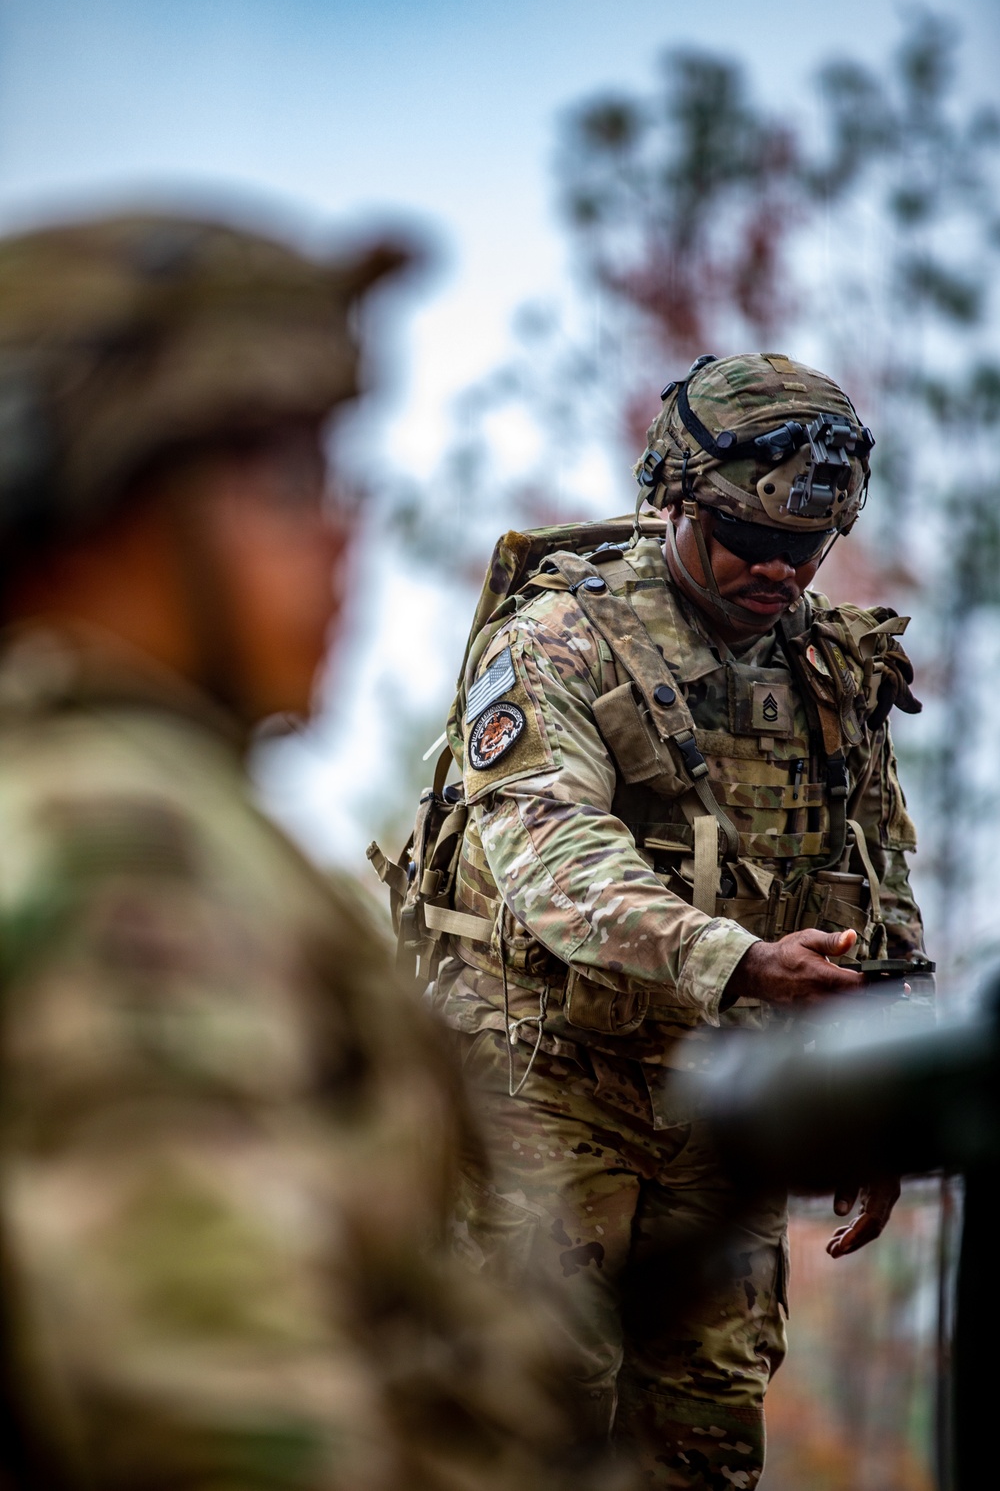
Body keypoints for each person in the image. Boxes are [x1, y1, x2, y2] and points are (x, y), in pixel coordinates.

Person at [0, 211, 607, 1491]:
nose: (343, 538)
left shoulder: (140, 806)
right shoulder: (116, 841)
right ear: (87, 492)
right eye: (286, 478)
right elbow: (209, 1416)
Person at [419, 352, 931, 1487]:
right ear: (675, 500)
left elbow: (871, 876)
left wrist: (890, 1101)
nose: (773, 568)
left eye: (803, 549)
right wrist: (736, 961)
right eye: (746, 537)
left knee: (701, 1454)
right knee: (523, 1437)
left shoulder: (829, 673)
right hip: (546, 1099)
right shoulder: (558, 640)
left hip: (718, 1118)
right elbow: (549, 854)